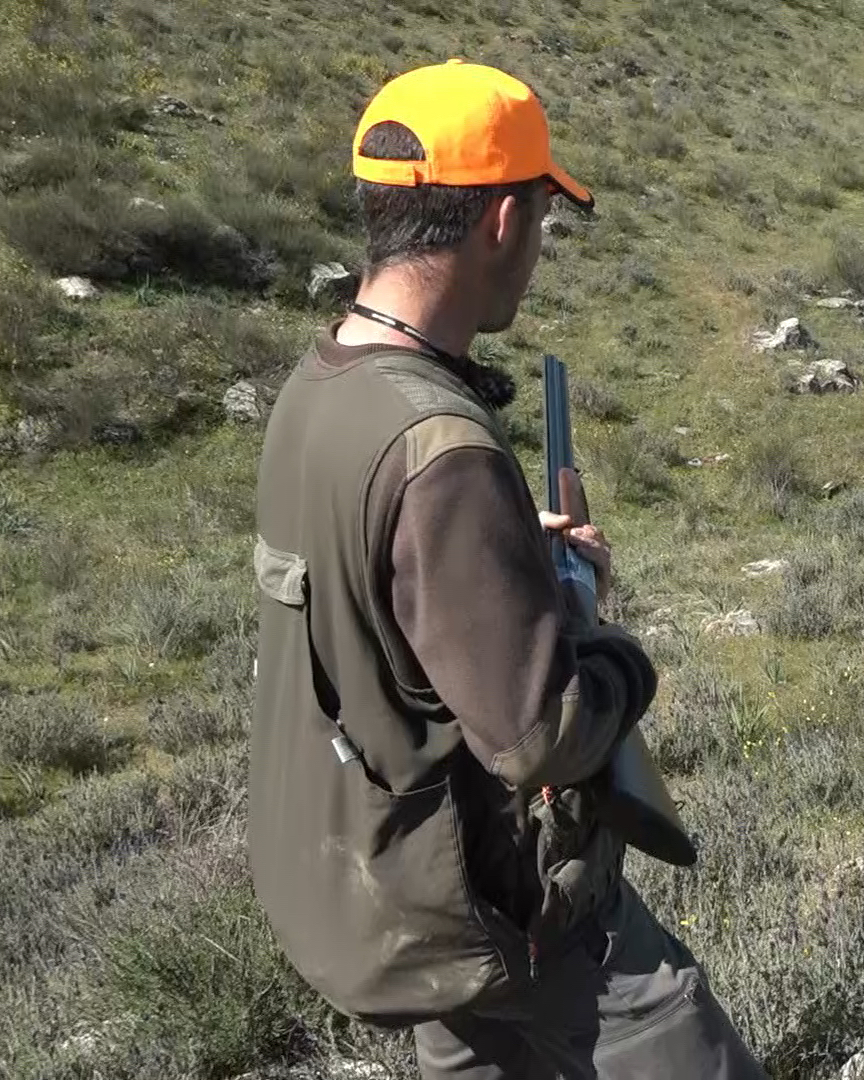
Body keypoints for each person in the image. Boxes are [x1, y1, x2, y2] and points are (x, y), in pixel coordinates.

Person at [246, 58, 765, 1079]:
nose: (537, 249)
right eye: (538, 217)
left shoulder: (323, 387)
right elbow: (544, 737)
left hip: (379, 891)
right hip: (485, 926)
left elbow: (377, 603)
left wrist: (494, 562)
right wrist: (597, 627)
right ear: (500, 224)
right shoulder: (442, 450)